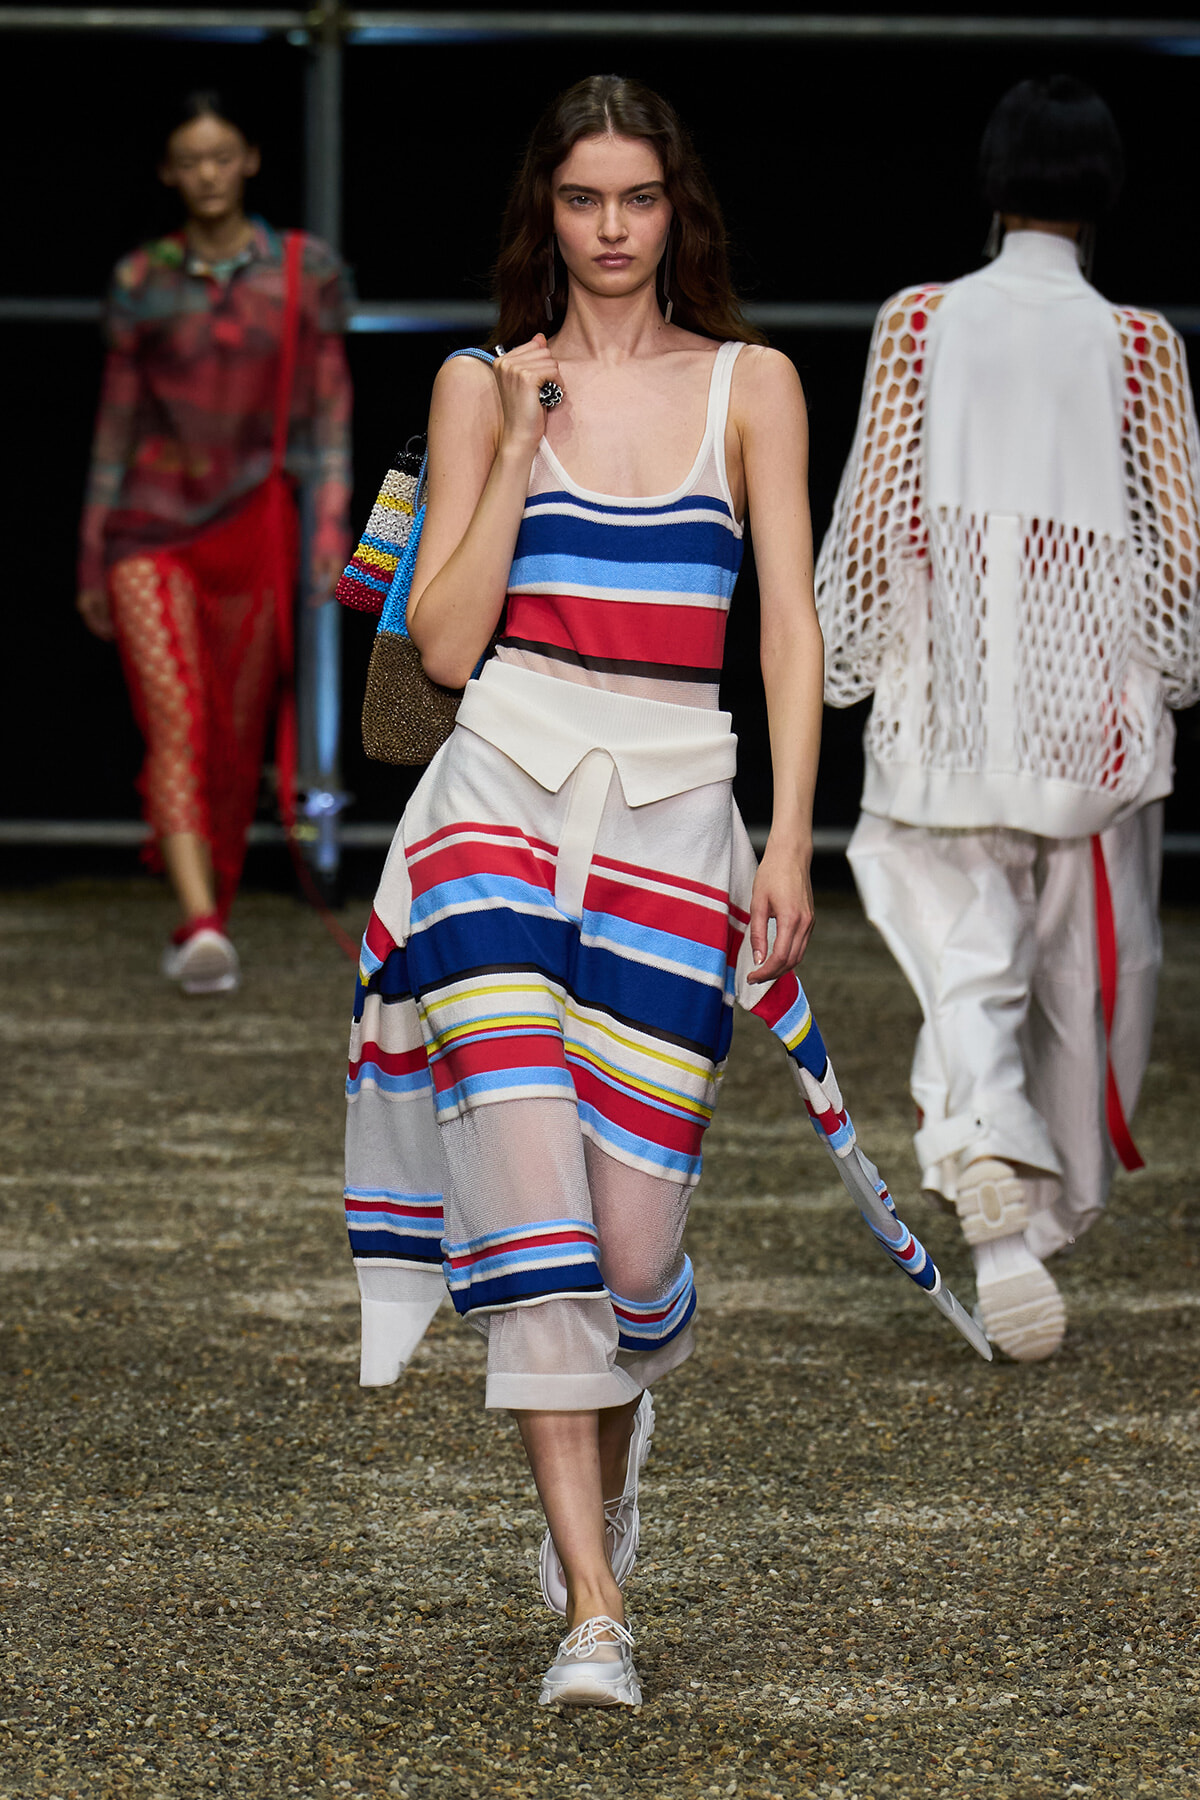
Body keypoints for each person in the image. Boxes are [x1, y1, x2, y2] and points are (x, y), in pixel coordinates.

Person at [344, 74, 825, 1706]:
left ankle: (603, 1493)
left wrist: (789, 840)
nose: (611, 233)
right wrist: (527, 431)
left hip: (679, 818)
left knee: (630, 1249)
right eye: (581, 201)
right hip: (496, 807)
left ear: (675, 208)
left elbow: (788, 637)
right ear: (541, 214)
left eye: (637, 200)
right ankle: (596, 1616)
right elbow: (444, 641)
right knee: (535, 1208)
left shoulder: (752, 384)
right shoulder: (487, 386)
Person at [815, 76, 1199, 1362]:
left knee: (963, 974)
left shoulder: (919, 320)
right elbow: (1174, 547)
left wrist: (853, 657)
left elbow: (872, 508)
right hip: (1084, 717)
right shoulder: (1139, 344)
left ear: (991, 185)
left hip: (944, 702)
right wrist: (1164, 683)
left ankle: (990, 1189)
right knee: (1092, 986)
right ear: (1104, 198)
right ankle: (1023, 1223)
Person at [77, 90, 353, 993]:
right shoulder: (140, 280)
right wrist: (91, 550)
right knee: (176, 719)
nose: (206, 173)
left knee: (234, 734)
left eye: (221, 155)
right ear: (168, 172)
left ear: (250, 161)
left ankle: (212, 906)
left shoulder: (305, 271)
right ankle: (199, 925)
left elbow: (329, 414)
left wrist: (337, 534)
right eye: (189, 159)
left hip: (255, 524)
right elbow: (114, 426)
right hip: (149, 525)